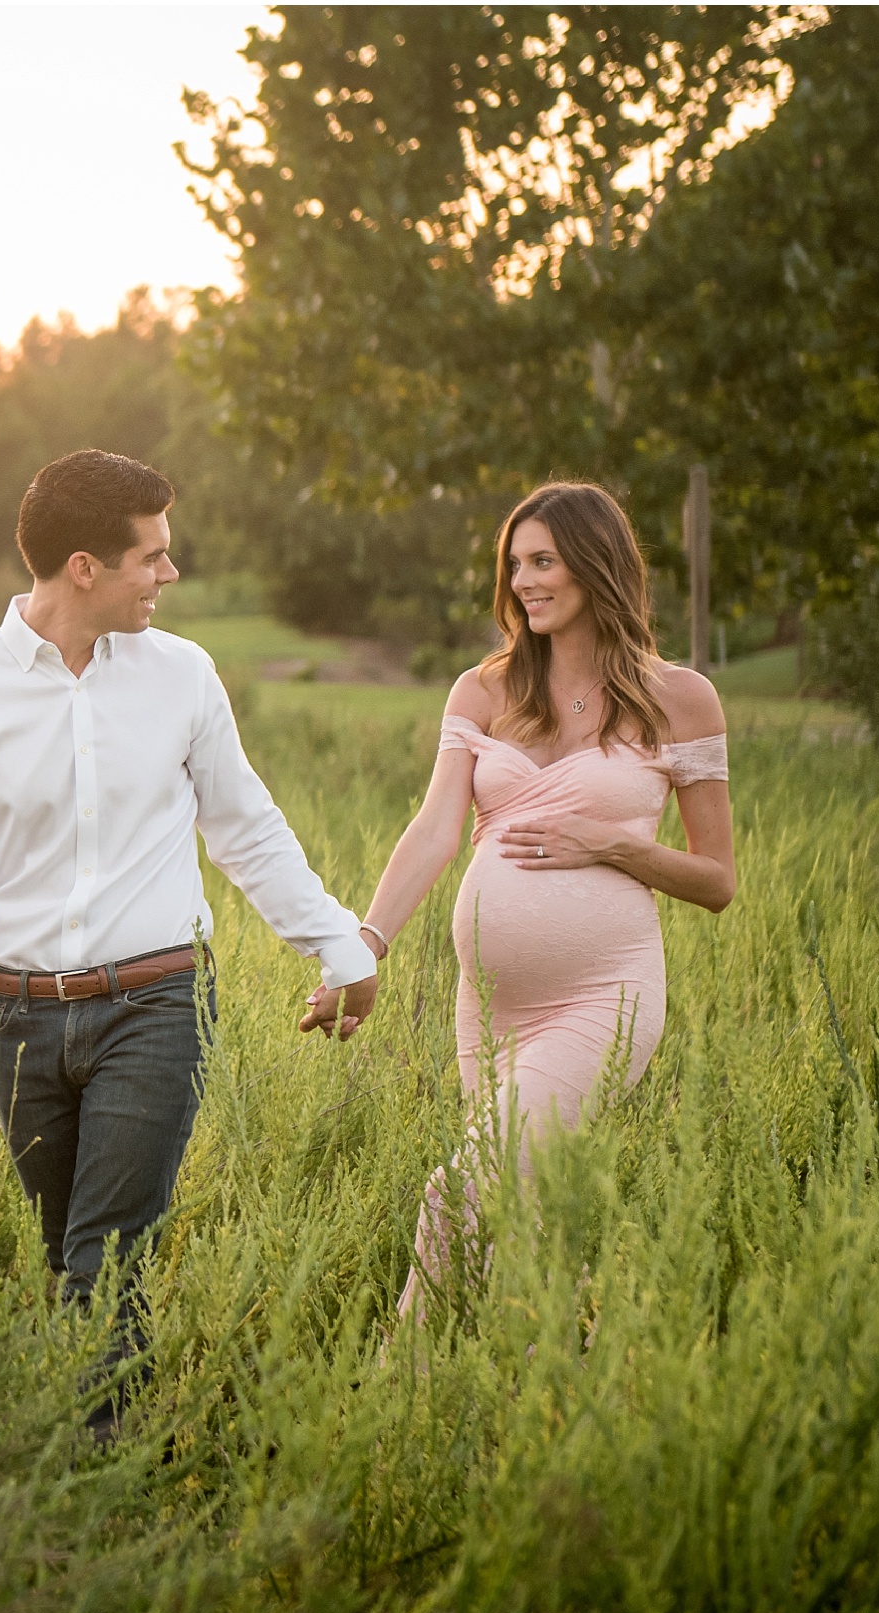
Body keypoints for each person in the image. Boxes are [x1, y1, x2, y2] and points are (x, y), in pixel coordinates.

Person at [0, 449, 378, 1432]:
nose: (169, 574)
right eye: (150, 556)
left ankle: (92, 1490)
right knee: (68, 1256)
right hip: (20, 1020)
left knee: (103, 1255)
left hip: (155, 1003)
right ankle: (102, 1467)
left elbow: (245, 827)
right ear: (83, 567)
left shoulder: (181, 675)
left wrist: (339, 947)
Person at [349, 481, 736, 1328]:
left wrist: (615, 845)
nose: (524, 581)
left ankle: (392, 1396)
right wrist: (365, 943)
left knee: (459, 1188)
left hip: (605, 995)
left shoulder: (681, 698)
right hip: (489, 1004)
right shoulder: (484, 691)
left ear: (597, 565)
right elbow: (432, 833)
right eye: (515, 564)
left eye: (543, 561)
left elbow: (718, 880)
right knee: (512, 1216)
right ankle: (542, 1399)